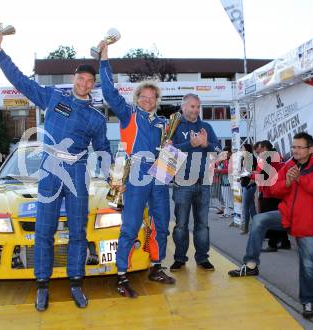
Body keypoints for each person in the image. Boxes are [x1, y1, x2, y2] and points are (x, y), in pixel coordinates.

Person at [0, 31, 112, 311]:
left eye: (90, 80)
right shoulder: (54, 98)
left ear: (93, 85)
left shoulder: (96, 117)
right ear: (73, 80)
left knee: (78, 232)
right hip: (49, 171)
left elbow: (103, 152)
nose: (84, 83)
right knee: (44, 231)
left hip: (78, 173)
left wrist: (114, 181)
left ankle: (76, 285)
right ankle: (42, 286)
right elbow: (19, 79)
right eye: (80, 78)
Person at [99, 41, 175, 298]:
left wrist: (185, 146)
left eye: (152, 97)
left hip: (160, 177)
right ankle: (122, 275)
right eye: (143, 96)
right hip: (136, 175)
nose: (147, 100)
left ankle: (156, 266)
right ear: (137, 98)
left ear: (157, 101)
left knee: (161, 225)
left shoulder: (165, 123)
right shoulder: (128, 114)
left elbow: (175, 148)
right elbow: (109, 93)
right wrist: (104, 58)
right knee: (130, 226)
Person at [228, 132, 313, 319]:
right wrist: (288, 182)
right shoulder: (289, 166)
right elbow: (275, 189)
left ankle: (307, 302)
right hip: (286, 215)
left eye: (300, 147)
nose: (296, 150)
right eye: (294, 147)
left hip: (308, 221)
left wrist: (301, 180)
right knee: (259, 220)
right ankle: (251, 264)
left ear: (311, 150)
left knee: (307, 263)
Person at [169, 93, 221, 272]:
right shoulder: (174, 127)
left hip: (203, 183)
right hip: (182, 183)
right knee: (181, 225)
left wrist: (206, 144)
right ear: (183, 108)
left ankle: (202, 258)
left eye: (198, 107)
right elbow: (168, 153)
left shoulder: (206, 126)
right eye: (192, 106)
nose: (196, 110)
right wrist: (190, 144)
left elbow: (219, 150)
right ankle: (179, 258)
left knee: (202, 224)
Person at [239, 143, 257, 234]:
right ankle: (256, 227)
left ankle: (245, 228)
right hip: (246, 184)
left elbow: (250, 172)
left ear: (246, 149)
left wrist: (240, 174)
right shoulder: (245, 158)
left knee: (245, 207)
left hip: (249, 185)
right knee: (251, 207)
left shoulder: (250, 157)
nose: (241, 150)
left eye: (242, 148)